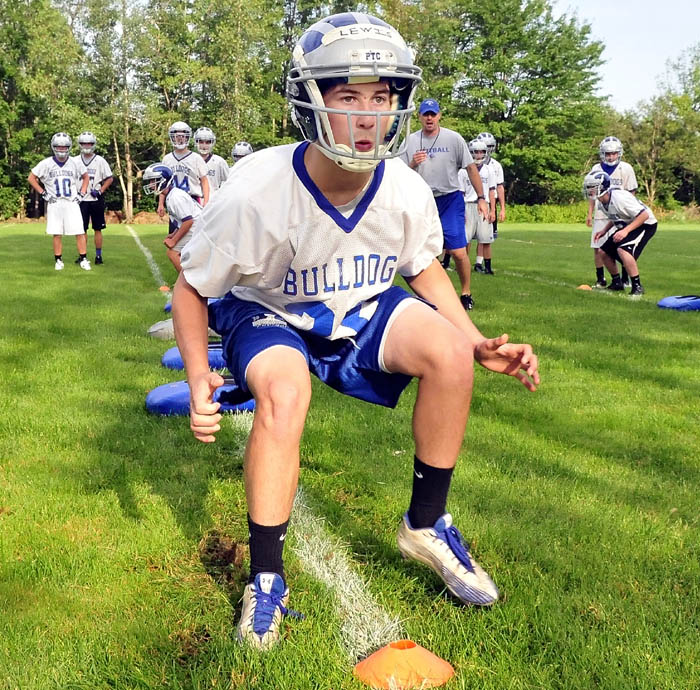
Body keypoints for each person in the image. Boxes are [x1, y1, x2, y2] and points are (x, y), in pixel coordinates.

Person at [171, 12, 539, 651]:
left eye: (383, 96)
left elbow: (421, 265)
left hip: (356, 306)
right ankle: (266, 577)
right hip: (268, 311)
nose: (369, 115)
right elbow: (192, 287)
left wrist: (475, 341)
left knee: (449, 353)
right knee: (286, 391)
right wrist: (199, 373)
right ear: (310, 103)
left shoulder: (403, 186)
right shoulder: (256, 188)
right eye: (348, 96)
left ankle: (425, 524)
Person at [403, 99, 488, 310]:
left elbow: (470, 168)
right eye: (425, 114)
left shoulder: (453, 139)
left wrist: (481, 198)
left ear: (439, 115)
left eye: (433, 114)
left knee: (458, 251)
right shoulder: (410, 141)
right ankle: (430, 297)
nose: (429, 118)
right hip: (422, 199)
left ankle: (466, 292)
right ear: (420, 117)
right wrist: (413, 163)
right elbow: (400, 173)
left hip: (450, 198)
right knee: (423, 253)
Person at [583, 170, 656, 296]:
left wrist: (625, 231)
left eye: (592, 187)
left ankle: (637, 287)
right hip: (630, 223)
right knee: (603, 252)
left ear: (602, 187)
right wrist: (604, 230)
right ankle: (617, 283)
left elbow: (644, 215)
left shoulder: (619, 198)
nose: (590, 190)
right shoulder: (602, 201)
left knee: (623, 250)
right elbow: (615, 216)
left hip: (645, 224)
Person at [27, 132, 91, 271]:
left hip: (71, 202)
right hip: (55, 202)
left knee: (79, 231)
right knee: (57, 232)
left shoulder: (74, 162)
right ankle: (58, 260)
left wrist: (82, 193)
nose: (61, 149)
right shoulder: (46, 163)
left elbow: (86, 177)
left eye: (64, 147)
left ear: (69, 147)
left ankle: (83, 258)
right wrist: (43, 193)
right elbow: (31, 178)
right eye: (59, 147)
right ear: (53, 147)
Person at [586, 136, 638, 288]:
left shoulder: (626, 168)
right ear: (602, 154)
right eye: (608, 154)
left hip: (621, 212)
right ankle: (600, 278)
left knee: (622, 246)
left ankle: (625, 278)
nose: (611, 156)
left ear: (619, 153)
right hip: (602, 213)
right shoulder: (596, 169)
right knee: (598, 246)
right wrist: (589, 213)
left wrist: (628, 212)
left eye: (614, 153)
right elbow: (591, 193)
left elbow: (631, 193)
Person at [142, 163, 201, 273]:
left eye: (153, 180)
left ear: (164, 180)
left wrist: (174, 240)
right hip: (197, 226)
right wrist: (174, 234)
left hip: (197, 228)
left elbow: (188, 221)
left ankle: (187, 284)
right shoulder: (172, 195)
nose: (151, 184)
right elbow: (182, 220)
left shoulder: (175, 197)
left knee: (172, 253)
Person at [157, 121, 209, 232]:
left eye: (183, 136)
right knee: (175, 237)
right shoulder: (167, 159)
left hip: (192, 200)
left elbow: (204, 181)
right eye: (177, 136)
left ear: (187, 138)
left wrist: (206, 201)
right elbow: (163, 184)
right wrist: (160, 203)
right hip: (174, 202)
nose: (180, 139)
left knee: (194, 237)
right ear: (172, 137)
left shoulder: (196, 158)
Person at [75, 132, 114, 264]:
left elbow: (109, 178)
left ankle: (98, 256)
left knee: (97, 228)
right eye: (84, 143)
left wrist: (100, 190)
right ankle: (83, 255)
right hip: (81, 200)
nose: (87, 146)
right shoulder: (74, 160)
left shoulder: (100, 161)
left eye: (89, 143)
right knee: (81, 229)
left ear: (93, 144)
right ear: (80, 145)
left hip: (96, 199)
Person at [460, 139, 497, 274]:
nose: (479, 155)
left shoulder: (489, 170)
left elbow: (492, 191)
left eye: (482, 152)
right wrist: (461, 211)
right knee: (466, 239)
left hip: (484, 206)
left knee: (486, 239)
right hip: (468, 205)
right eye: (476, 152)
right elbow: (461, 193)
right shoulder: (464, 171)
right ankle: (465, 265)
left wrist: (493, 210)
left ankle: (487, 267)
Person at [475, 132, 506, 239]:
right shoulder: (470, 164)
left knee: (487, 238)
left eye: (490, 146)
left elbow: (499, 187)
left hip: (491, 201)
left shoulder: (496, 165)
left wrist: (502, 208)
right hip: (473, 201)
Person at [194, 127, 230, 192]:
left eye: (207, 142)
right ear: (196, 142)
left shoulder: (219, 162)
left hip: (214, 199)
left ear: (212, 143)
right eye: (201, 142)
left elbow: (228, 182)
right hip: (196, 200)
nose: (204, 146)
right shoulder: (191, 160)